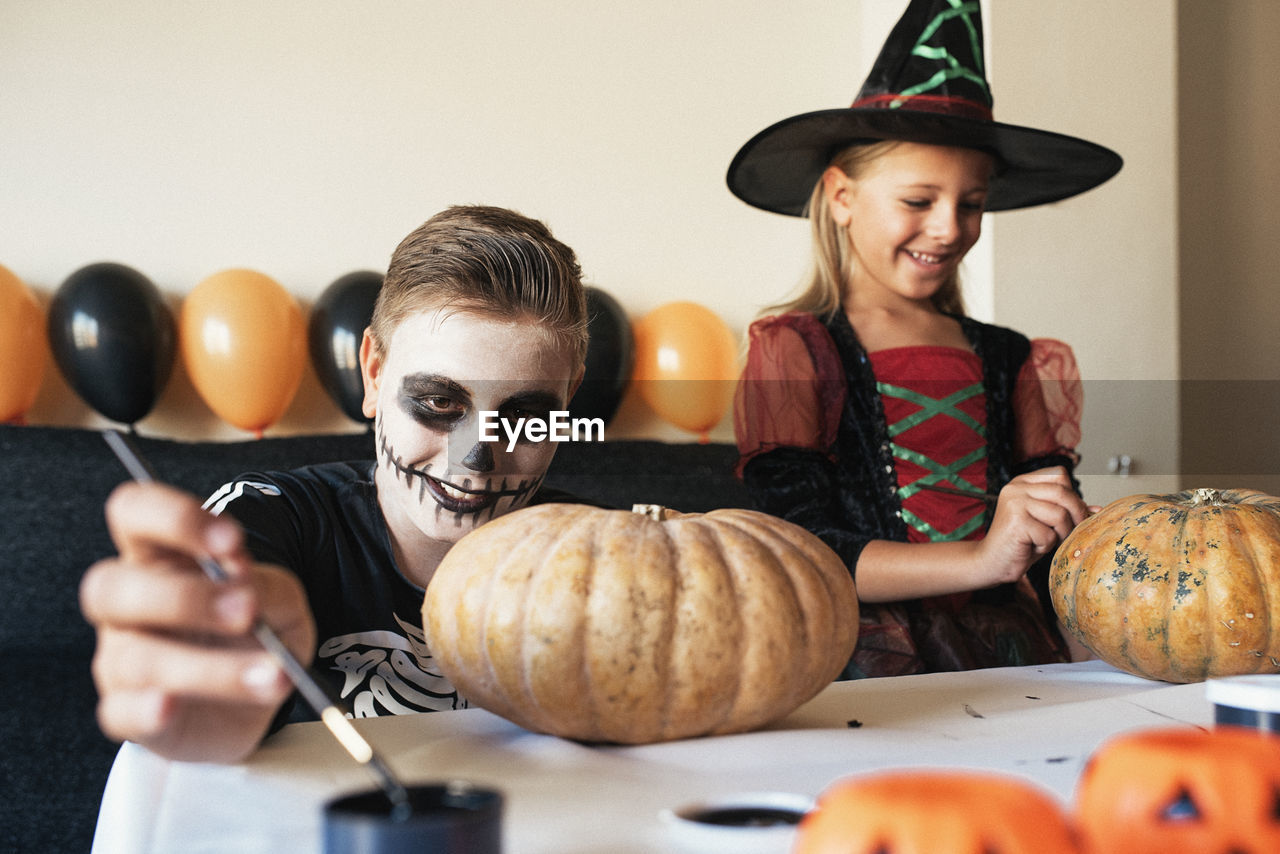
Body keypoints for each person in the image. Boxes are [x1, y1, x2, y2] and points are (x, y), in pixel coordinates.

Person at [79, 205, 588, 762]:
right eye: (439, 403)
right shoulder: (276, 521)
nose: (475, 459)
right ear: (374, 373)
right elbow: (205, 658)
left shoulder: (595, 551)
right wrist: (205, 698)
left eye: (523, 417)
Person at [726, 0, 1122, 678]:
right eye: (919, 201)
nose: (949, 229)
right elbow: (800, 549)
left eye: (971, 203)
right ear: (842, 196)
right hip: (860, 657)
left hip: (1014, 654)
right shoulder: (796, 351)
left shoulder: (1012, 358)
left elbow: (1057, 548)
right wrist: (981, 556)